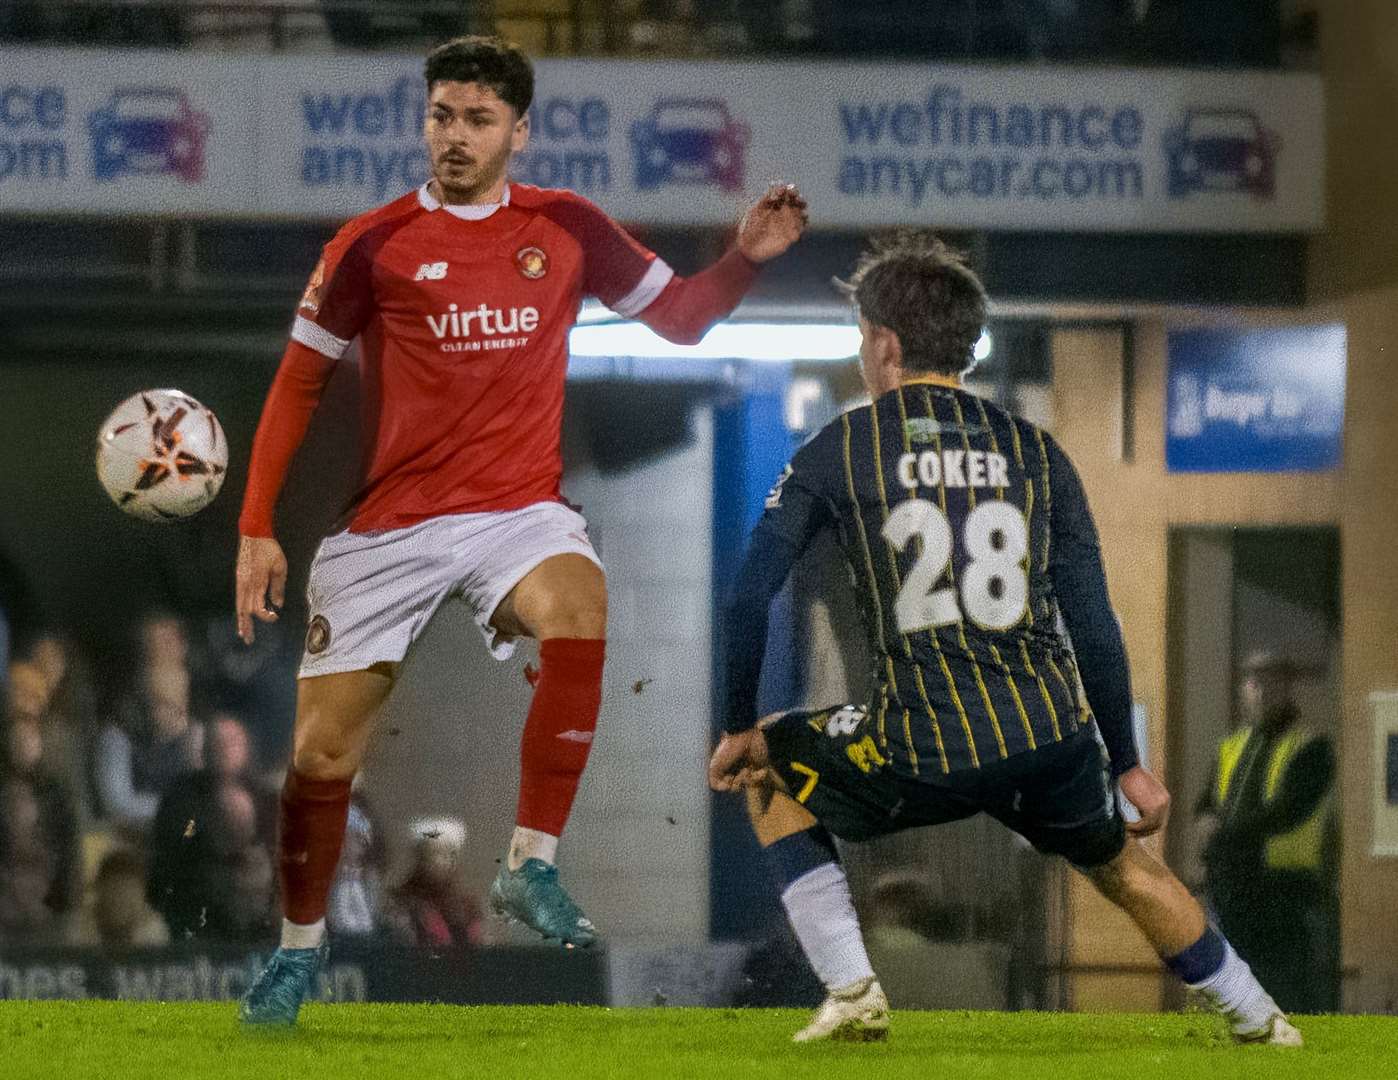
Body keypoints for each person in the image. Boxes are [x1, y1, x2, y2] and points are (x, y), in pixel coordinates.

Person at [233, 34, 807, 1025]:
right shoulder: (369, 245)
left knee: (580, 606)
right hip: (389, 525)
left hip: (515, 510)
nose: (455, 137)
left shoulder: (568, 226)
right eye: (442, 116)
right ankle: (295, 952)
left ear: (519, 131)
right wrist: (256, 524)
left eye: (478, 120)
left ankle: (528, 866)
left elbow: (677, 320)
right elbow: (299, 380)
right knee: (320, 763)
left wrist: (742, 260)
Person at [708, 232, 1302, 1046]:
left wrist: (740, 723)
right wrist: (1127, 763)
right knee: (1127, 870)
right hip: (1048, 737)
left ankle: (851, 988)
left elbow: (748, 598)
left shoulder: (844, 446)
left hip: (923, 740)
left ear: (884, 343)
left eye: (861, 337)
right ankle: (1262, 1020)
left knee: (769, 760)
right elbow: (1090, 617)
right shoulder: (1037, 451)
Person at [1196, 649, 1338, 1013]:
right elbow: (1206, 803)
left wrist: (1221, 833)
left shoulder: (1311, 749)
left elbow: (1285, 813)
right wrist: (1206, 822)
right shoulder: (1232, 747)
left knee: (1287, 998)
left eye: (1271, 683)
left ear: (1288, 689)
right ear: (1243, 689)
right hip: (1233, 892)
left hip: (1284, 897)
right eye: (1253, 682)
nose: (1260, 692)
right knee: (1236, 1003)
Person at [387, 819, 485, 948]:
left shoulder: (467, 904)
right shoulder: (402, 900)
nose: (441, 861)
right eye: (435, 853)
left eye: (448, 855)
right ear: (421, 859)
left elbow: (479, 945)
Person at [67, 848, 171, 949]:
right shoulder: (78, 926)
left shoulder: (153, 929)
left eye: (129, 892)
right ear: (99, 890)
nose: (121, 898)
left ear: (142, 895)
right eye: (115, 890)